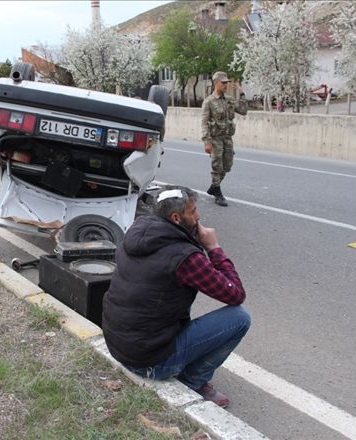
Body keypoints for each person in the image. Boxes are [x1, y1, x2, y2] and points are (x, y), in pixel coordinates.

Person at [102, 187, 250, 408]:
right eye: (193, 212)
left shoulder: (136, 232)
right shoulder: (184, 256)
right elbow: (235, 294)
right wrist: (213, 247)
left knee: (170, 293)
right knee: (239, 318)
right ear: (176, 218)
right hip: (148, 362)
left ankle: (178, 363)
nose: (198, 217)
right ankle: (192, 381)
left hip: (120, 345)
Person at [201, 72, 248, 207]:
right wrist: (207, 142)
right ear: (216, 83)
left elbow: (244, 111)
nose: (226, 85)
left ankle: (213, 187)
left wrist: (242, 94)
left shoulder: (229, 99)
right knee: (217, 165)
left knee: (227, 166)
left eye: (227, 82)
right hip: (215, 138)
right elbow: (204, 123)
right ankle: (218, 193)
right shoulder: (209, 101)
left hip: (227, 138)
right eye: (223, 83)